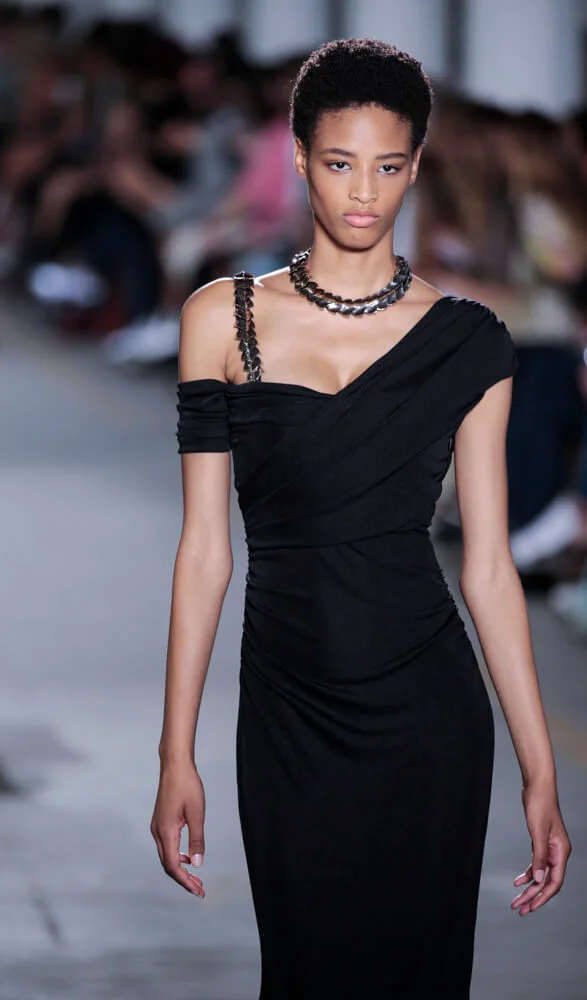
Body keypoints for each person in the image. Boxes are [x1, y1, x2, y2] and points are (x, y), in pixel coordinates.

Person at [151, 39, 572, 997]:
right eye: (340, 163)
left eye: (387, 166)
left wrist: (538, 767)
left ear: (415, 168)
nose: (363, 192)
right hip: (287, 709)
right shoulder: (222, 319)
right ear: (299, 157)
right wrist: (176, 750)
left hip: (428, 714)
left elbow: (488, 570)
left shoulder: (469, 343)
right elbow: (205, 551)